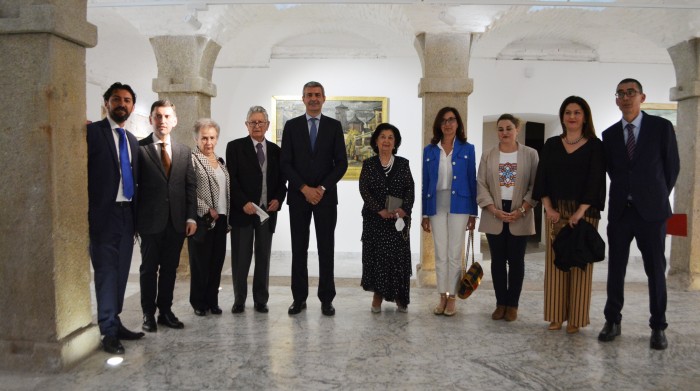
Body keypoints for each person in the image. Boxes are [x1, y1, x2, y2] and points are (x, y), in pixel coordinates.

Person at [598, 78, 680, 350]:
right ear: (616, 99)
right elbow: (613, 171)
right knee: (615, 269)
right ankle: (613, 320)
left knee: (655, 270)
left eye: (630, 92)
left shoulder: (661, 127)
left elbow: (672, 168)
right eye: (620, 93)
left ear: (642, 97)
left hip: (652, 213)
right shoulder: (609, 135)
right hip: (621, 212)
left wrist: (654, 195)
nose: (625, 97)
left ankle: (658, 326)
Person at [532, 96, 606, 334]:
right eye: (568, 112)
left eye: (577, 112)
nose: (572, 117)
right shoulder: (552, 144)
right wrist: (549, 208)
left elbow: (596, 181)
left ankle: (576, 318)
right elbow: (541, 178)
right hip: (555, 211)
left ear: (585, 117)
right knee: (556, 265)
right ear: (562, 116)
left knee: (580, 265)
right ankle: (555, 316)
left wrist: (581, 212)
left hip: (585, 213)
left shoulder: (595, 145)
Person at [280, 81, 348, 316]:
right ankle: (299, 299)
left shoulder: (334, 126)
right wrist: (303, 188)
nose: (313, 98)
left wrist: (320, 188)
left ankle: (326, 298)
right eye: (309, 95)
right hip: (299, 198)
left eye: (317, 95)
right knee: (299, 249)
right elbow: (285, 163)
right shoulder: (291, 126)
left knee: (326, 249)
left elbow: (341, 164)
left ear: (324, 98)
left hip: (325, 198)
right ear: (303, 99)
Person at [87, 82, 144, 354]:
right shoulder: (91, 133)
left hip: (126, 215)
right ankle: (107, 330)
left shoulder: (131, 140)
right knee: (106, 273)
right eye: (116, 99)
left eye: (127, 100)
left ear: (132, 106)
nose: (122, 104)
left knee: (121, 272)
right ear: (106, 103)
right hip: (104, 215)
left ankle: (115, 320)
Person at [137, 100, 197, 332]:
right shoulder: (139, 149)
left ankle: (165, 311)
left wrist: (190, 218)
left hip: (176, 221)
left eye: (167, 116)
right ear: (151, 119)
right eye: (158, 116)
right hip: (150, 222)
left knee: (170, 269)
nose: (162, 121)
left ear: (174, 120)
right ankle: (147, 314)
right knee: (149, 269)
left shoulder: (183, 151)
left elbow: (190, 187)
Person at [476, 114, 539, 322]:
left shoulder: (530, 154)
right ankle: (500, 303)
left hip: (520, 212)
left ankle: (513, 305)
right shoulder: (489, 155)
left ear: (517, 129)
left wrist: (522, 209)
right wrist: (493, 209)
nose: (504, 132)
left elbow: (536, 186)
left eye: (509, 128)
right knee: (497, 262)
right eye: (500, 129)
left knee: (516, 261)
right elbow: (481, 184)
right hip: (495, 212)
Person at [226, 106, 287, 314]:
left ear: (268, 125)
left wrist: (279, 199)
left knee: (263, 257)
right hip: (243, 212)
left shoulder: (277, 151)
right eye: (253, 122)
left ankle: (261, 299)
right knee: (241, 258)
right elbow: (231, 179)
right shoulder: (234, 147)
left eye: (261, 122)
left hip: (267, 213)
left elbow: (282, 181)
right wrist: (243, 202)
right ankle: (239, 300)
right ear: (246, 125)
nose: (257, 126)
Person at [421, 107, 478, 317]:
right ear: (439, 124)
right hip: (436, 204)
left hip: (460, 205)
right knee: (440, 252)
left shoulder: (468, 149)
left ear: (458, 124)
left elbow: (472, 180)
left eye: (452, 120)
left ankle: (453, 297)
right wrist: (425, 214)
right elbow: (426, 182)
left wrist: (473, 213)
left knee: (455, 253)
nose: (448, 124)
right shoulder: (430, 150)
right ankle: (442, 296)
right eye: (444, 120)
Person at [359, 123, 415, 313]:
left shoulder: (403, 164)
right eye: (383, 136)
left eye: (391, 137)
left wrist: (404, 210)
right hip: (375, 221)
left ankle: (401, 298)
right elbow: (364, 190)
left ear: (395, 142)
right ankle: (378, 296)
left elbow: (410, 190)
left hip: (397, 223)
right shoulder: (368, 164)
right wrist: (379, 210)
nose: (386, 140)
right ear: (376, 140)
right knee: (377, 260)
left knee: (398, 261)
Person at [188, 119, 230, 317]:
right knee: (200, 264)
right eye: (204, 138)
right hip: (203, 220)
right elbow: (188, 191)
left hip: (221, 220)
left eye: (212, 138)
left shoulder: (220, 161)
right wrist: (206, 209)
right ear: (196, 138)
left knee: (216, 263)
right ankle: (199, 302)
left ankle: (212, 300)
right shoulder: (192, 160)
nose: (208, 142)